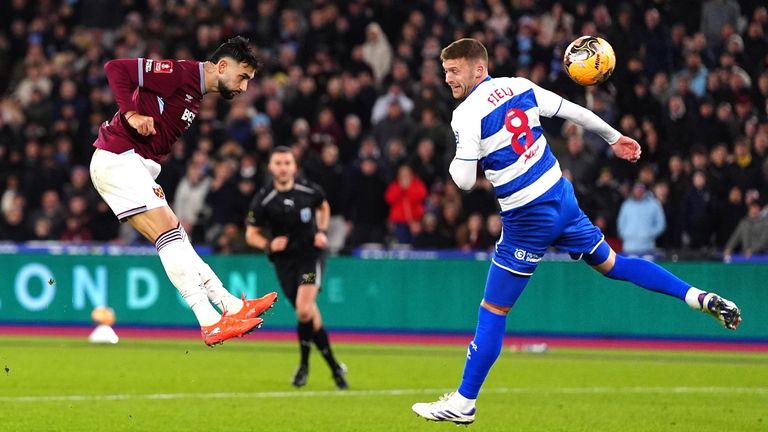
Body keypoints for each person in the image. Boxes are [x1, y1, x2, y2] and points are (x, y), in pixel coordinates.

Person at [411, 38, 742, 425]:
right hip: (561, 198)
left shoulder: (465, 115)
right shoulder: (519, 86)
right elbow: (574, 112)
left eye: (454, 71)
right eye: (445, 71)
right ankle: (696, 296)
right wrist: (614, 137)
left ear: (478, 69)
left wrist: (457, 160)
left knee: (494, 309)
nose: (448, 78)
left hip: (527, 216)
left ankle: (464, 402)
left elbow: (466, 181)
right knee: (613, 264)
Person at [89, 36, 277, 347]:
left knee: (178, 239)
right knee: (170, 235)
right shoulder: (178, 74)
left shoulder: (194, 91)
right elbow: (115, 68)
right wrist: (131, 114)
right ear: (222, 66)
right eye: (242, 77)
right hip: (118, 158)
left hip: (131, 163)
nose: (244, 87)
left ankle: (230, 305)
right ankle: (208, 321)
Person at [245, 147, 348, 390]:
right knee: (310, 315)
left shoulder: (308, 190)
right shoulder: (264, 199)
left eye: (287, 163)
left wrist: (321, 231)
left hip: (310, 257)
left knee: (303, 310)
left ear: (294, 166)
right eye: (278, 163)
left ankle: (303, 366)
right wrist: (268, 244)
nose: (283, 167)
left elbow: (324, 206)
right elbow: (251, 233)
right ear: (271, 167)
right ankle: (335, 368)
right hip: (284, 263)